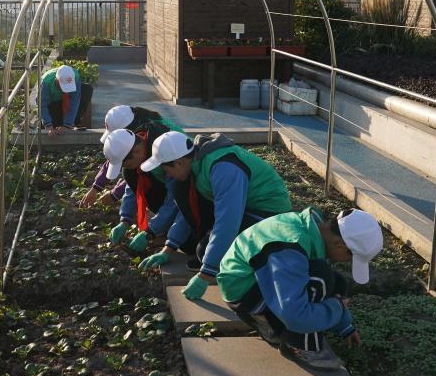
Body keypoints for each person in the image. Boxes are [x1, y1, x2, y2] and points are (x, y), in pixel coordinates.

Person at [217, 207, 383, 371]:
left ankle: (271, 321)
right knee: (321, 277)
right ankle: (298, 345)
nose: (346, 262)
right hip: (243, 292)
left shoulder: (311, 228)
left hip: (254, 279)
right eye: (350, 258)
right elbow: (294, 315)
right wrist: (337, 308)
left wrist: (344, 326)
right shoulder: (289, 248)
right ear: (339, 244)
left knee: (336, 280)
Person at [137, 132, 293, 300]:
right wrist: (169, 249)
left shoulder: (223, 168)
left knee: (205, 252)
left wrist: (206, 275)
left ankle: (261, 281)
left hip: (269, 214)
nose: (167, 176)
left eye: (167, 170)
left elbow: (227, 222)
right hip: (245, 208)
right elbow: (188, 211)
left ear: (179, 162)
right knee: (204, 249)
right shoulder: (196, 164)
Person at [100, 125, 185, 252]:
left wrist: (150, 231)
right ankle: (163, 227)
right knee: (128, 174)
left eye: (127, 164)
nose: (127, 168)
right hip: (169, 190)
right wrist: (125, 219)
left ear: (137, 151)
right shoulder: (138, 147)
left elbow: (174, 199)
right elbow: (132, 187)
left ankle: (165, 229)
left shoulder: (164, 154)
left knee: (188, 244)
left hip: (190, 194)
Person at [80, 105, 182, 209]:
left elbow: (137, 177)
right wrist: (96, 188)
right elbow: (116, 158)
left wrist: (115, 194)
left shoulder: (157, 143)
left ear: (127, 129)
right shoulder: (139, 135)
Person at [40, 64, 93, 135]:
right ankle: (57, 123)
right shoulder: (46, 82)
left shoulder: (75, 76)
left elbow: (75, 101)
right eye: (63, 86)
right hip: (54, 104)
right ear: (57, 80)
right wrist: (48, 125)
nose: (65, 90)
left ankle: (73, 122)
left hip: (67, 99)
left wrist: (67, 124)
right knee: (54, 122)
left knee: (87, 89)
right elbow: (42, 105)